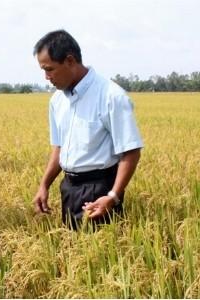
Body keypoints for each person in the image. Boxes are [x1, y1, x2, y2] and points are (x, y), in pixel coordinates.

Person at [32, 29, 143, 230]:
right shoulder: (57, 101)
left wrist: (113, 196)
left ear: (70, 61)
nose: (47, 77)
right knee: (73, 250)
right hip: (69, 188)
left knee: (102, 255)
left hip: (99, 189)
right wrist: (44, 185)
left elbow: (131, 151)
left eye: (49, 69)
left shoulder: (111, 96)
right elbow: (59, 148)